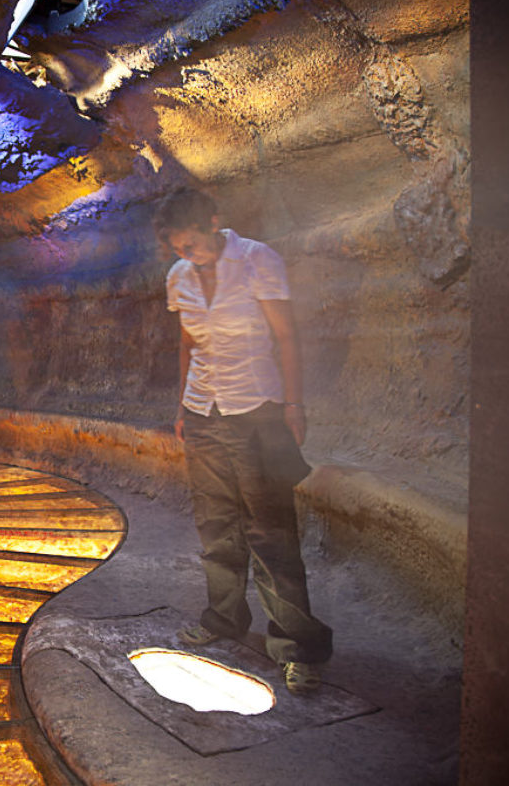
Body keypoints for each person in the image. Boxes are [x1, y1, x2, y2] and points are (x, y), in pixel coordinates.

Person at [157, 188, 332, 695]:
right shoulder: (179, 277)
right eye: (177, 248)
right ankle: (225, 617)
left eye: (190, 244)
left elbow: (287, 336)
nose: (185, 254)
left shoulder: (257, 260)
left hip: (255, 410)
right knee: (215, 523)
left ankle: (298, 646)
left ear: (213, 223)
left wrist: (294, 405)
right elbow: (188, 343)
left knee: (270, 530)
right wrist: (183, 406)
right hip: (203, 412)